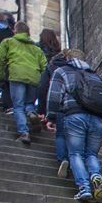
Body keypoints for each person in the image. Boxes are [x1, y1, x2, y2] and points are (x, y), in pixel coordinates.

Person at [46, 49, 102, 201]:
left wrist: (51, 117)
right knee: (92, 154)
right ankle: (96, 175)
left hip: (75, 116)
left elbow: (54, 96)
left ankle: (84, 188)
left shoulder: (62, 71)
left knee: (76, 154)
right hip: (98, 119)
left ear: (68, 58)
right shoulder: (96, 75)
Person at [0, 21, 47, 145]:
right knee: (29, 103)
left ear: (15, 31)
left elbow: (0, 61)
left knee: (18, 106)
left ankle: (24, 133)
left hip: (17, 75)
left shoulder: (8, 42)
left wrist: (0, 78)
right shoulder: (36, 49)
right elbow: (45, 66)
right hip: (34, 77)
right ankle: (32, 113)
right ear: (28, 33)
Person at [37, 48, 70, 178]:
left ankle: (63, 159)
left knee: (61, 134)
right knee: (72, 135)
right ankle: (74, 160)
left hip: (59, 105)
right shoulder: (75, 70)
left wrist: (43, 111)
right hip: (73, 107)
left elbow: (43, 88)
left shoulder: (51, 68)